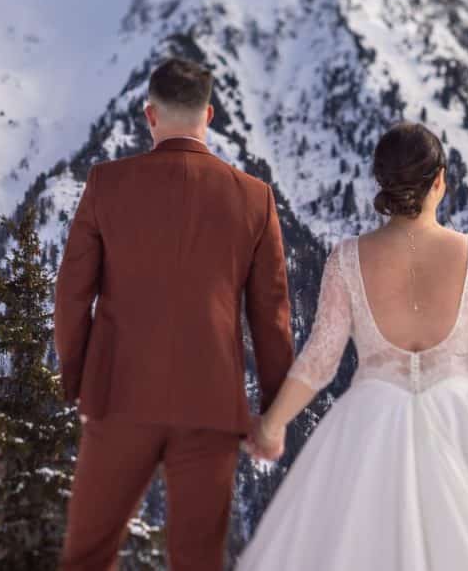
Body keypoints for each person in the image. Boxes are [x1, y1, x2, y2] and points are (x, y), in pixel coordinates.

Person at [237, 122, 468, 570]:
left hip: (369, 419)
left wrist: (272, 425)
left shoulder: (347, 258)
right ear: (440, 181)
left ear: (383, 183)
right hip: (463, 414)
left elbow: (320, 359)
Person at [53, 57, 295, 570]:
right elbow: (271, 316)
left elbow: (72, 295)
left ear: (150, 115)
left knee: (88, 556)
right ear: (208, 115)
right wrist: (273, 412)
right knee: (198, 561)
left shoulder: (106, 184)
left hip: (119, 397)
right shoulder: (255, 199)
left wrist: (77, 381)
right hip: (211, 403)